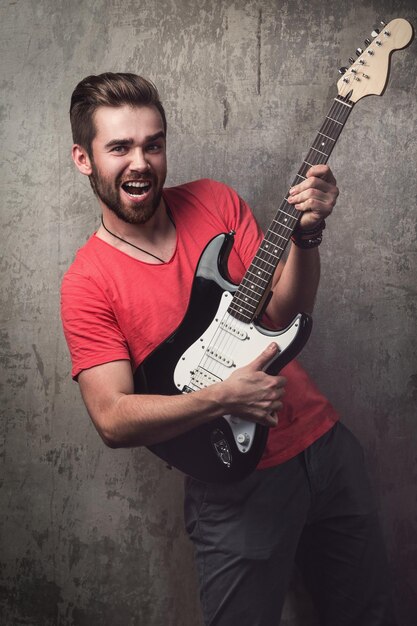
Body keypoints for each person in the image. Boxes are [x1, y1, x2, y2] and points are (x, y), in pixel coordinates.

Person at [61, 72, 395, 625]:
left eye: (153, 144)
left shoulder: (214, 202)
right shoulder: (88, 282)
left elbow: (283, 313)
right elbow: (112, 419)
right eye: (119, 147)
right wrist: (222, 398)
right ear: (84, 158)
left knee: (371, 613)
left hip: (326, 447)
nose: (140, 162)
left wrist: (307, 236)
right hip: (236, 480)